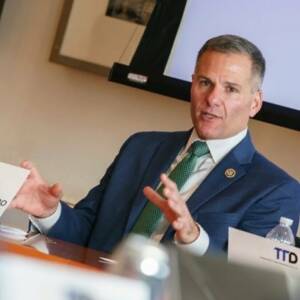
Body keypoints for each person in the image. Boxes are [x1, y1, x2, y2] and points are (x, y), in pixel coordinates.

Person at [12, 34, 300, 255]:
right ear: (192, 85)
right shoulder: (141, 147)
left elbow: (249, 286)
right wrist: (49, 212)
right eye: (204, 82)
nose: (213, 99)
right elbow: (88, 233)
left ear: (255, 103)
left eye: (231, 89)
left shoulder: (277, 191)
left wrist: (193, 237)